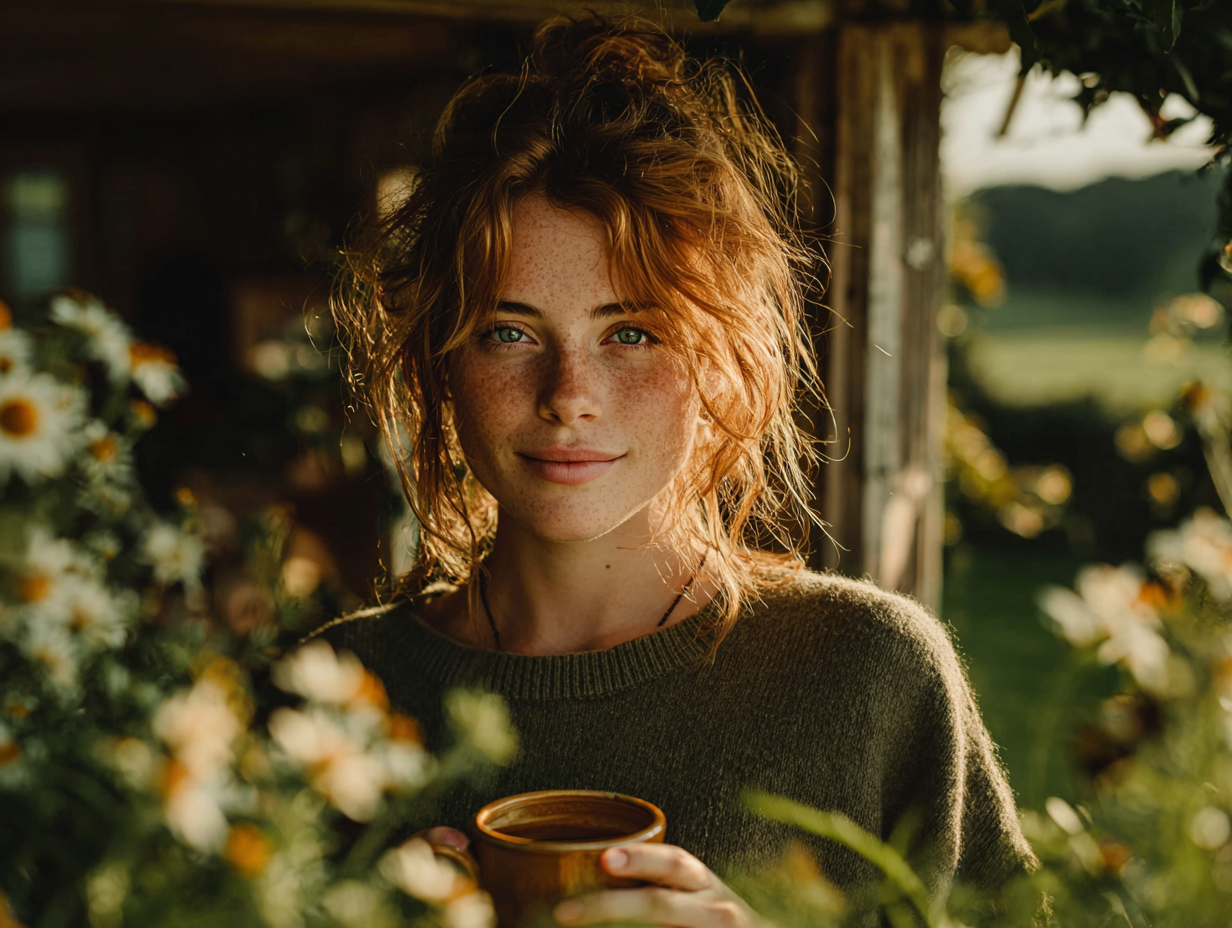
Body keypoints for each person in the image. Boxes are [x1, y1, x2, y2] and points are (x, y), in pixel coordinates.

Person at [325, 14, 1037, 926]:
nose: (569, 394)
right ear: (438, 361)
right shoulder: (331, 700)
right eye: (510, 331)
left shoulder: (872, 680)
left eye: (631, 332)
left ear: (721, 357)